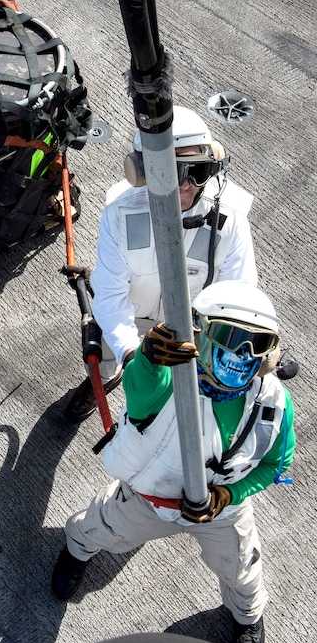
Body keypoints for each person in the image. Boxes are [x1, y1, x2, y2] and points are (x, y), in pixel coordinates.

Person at [51, 280, 295, 643]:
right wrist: (149, 356)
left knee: (241, 567)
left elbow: (272, 464)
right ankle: (77, 550)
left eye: (256, 344)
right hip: (150, 501)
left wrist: (231, 495)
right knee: (99, 526)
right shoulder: (166, 382)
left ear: (269, 355)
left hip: (222, 511)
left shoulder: (274, 404)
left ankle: (247, 616)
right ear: (202, 332)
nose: (241, 353)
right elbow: (139, 387)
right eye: (230, 336)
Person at [65, 105, 258, 421]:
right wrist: (132, 357)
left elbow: (239, 301)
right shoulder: (119, 213)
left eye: (196, 170)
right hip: (132, 314)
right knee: (105, 356)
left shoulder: (232, 221)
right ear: (142, 171)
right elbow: (112, 299)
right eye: (170, 172)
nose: (185, 185)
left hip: (190, 333)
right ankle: (104, 379)